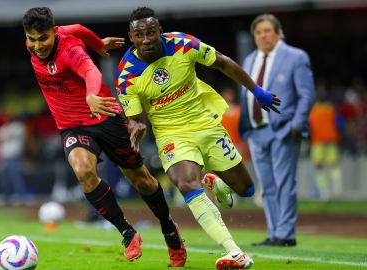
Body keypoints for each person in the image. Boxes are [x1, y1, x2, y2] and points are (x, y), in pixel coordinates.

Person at [116, 7, 280, 269]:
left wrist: (255, 90)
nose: (146, 39)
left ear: (159, 31)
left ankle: (212, 180)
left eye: (150, 32)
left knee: (246, 190)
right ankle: (235, 252)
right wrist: (136, 126)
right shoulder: (127, 75)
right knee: (186, 184)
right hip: (172, 134)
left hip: (205, 124)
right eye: (139, 35)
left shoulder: (183, 44)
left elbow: (223, 61)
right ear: (131, 37)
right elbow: (135, 118)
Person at [22, 7, 186, 267]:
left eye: (43, 39)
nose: (38, 45)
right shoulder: (45, 38)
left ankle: (169, 230)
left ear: (53, 33)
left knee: (140, 179)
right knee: (83, 171)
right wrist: (98, 44)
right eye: (32, 39)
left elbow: (91, 72)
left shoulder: (69, 50)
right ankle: (127, 232)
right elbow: (78, 27)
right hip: (71, 127)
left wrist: (90, 94)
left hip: (104, 117)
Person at [238, 14, 315, 247]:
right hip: (256, 130)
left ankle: (286, 233)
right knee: (267, 186)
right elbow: (245, 94)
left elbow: (307, 94)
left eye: (267, 31)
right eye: (258, 32)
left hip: (283, 129)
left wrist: (296, 125)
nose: (263, 35)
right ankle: (274, 232)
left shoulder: (295, 56)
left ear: (279, 32)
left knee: (284, 183)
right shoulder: (250, 59)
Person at [309, 81, 342, 200]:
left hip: (318, 141)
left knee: (319, 167)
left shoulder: (313, 111)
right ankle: (337, 189)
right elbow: (339, 125)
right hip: (331, 140)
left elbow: (309, 126)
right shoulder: (331, 109)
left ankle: (324, 193)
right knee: (334, 166)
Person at [0, 115, 28, 205]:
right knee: (5, 179)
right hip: (4, 158)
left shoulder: (17, 126)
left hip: (14, 157)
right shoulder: (1, 129)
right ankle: (6, 199)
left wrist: (4, 136)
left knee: (16, 178)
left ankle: (21, 198)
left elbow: (8, 136)